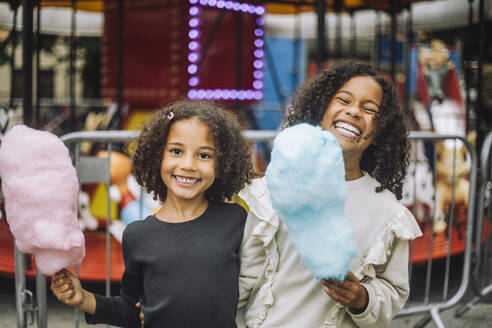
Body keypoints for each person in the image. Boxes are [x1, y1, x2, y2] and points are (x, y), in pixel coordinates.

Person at [236, 62, 422, 328]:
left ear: (381, 130)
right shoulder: (271, 189)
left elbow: (394, 291)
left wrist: (362, 298)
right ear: (320, 109)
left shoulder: (386, 213)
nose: (354, 111)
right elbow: (242, 277)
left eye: (370, 109)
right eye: (344, 100)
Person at [50, 101, 256, 328]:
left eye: (204, 155)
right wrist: (84, 299)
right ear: (157, 156)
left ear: (222, 163)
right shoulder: (138, 234)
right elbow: (131, 308)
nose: (188, 164)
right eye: (176, 151)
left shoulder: (236, 219)